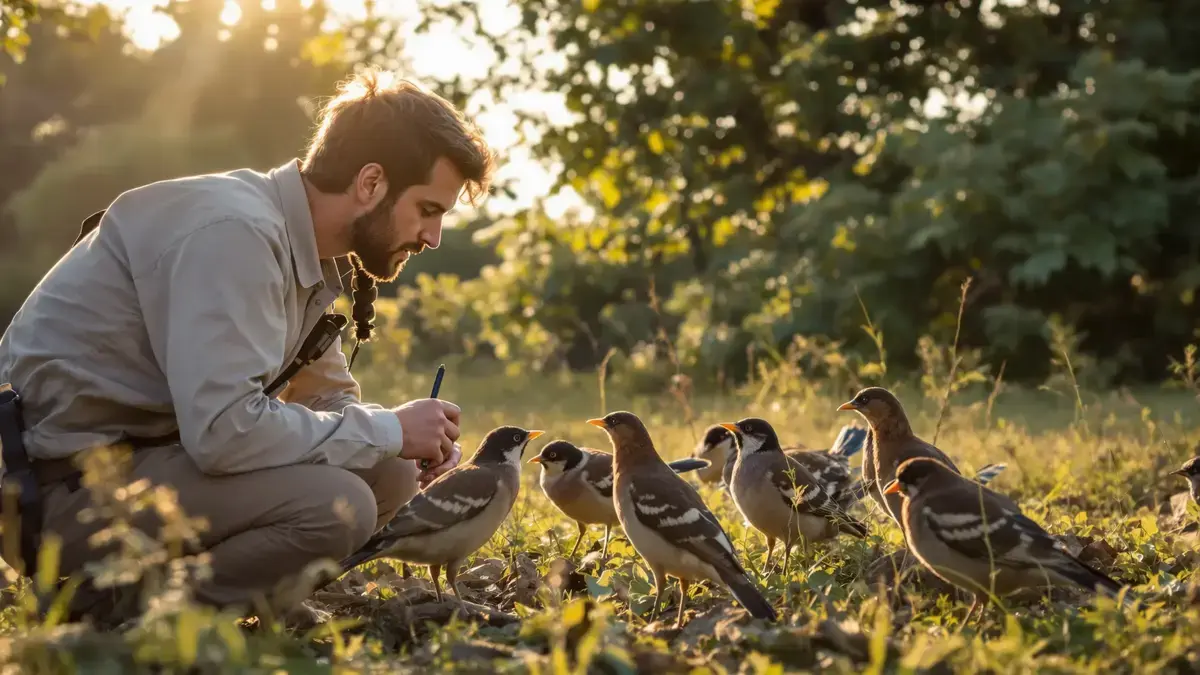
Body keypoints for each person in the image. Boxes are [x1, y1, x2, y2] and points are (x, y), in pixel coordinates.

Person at [0, 67, 496, 628]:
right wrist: (388, 430)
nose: (432, 237)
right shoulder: (236, 234)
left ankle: (222, 591)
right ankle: (114, 621)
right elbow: (223, 432)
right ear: (371, 183)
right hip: (50, 489)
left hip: (138, 460)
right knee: (340, 508)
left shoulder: (307, 248)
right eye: (428, 210)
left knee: (391, 473)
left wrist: (406, 437)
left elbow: (325, 398)